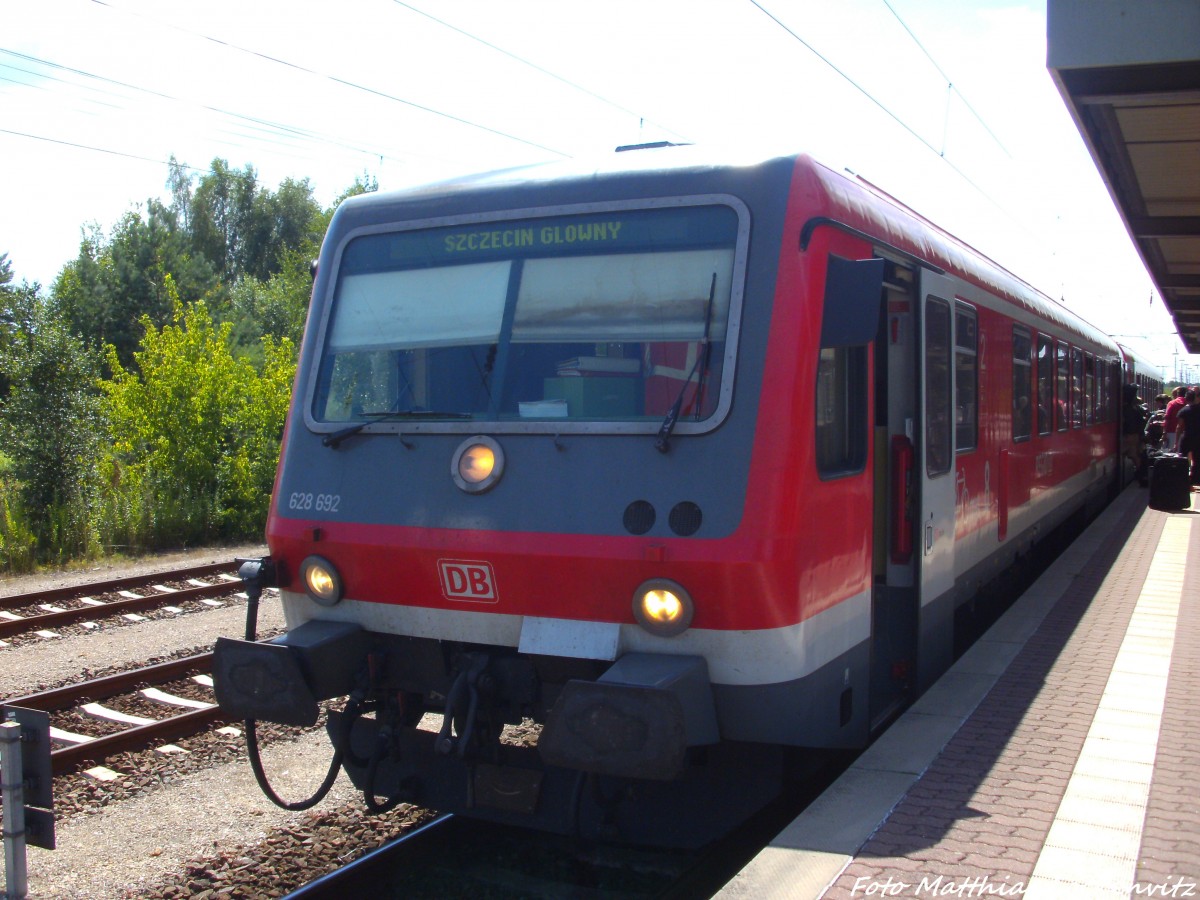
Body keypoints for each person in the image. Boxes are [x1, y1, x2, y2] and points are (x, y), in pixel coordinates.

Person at [1120, 384, 1148, 486]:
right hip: (1136, 434)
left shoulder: (1128, 409)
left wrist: (1129, 434)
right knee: (1136, 455)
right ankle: (1142, 475)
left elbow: (1129, 423)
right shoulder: (1136, 407)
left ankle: (1142, 477)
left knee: (1134, 455)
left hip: (1132, 435)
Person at [1176, 388, 1200, 490]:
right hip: (1198, 438)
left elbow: (1179, 427)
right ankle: (1196, 481)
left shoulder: (1183, 410)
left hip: (1186, 438)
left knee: (1184, 460)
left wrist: (1176, 442)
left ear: (1186, 399)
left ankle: (1187, 483)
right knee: (1197, 461)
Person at [1163, 386, 1187, 452]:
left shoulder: (1172, 403)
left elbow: (1167, 418)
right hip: (1187, 432)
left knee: (1172, 454)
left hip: (1172, 432)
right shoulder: (1190, 404)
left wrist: (1164, 433)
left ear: (1177, 394)